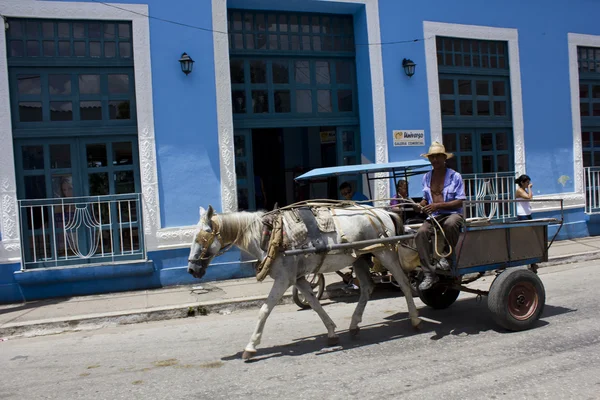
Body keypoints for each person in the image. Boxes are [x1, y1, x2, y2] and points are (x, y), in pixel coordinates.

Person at [415, 142, 466, 291]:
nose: (435, 160)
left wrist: (438, 206)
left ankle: (447, 258)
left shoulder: (455, 176)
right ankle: (429, 273)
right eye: (432, 157)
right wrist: (422, 204)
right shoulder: (426, 177)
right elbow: (426, 198)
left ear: (444, 158)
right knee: (420, 234)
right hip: (434, 217)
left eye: (438, 156)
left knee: (451, 224)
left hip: (452, 213)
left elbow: (460, 201)